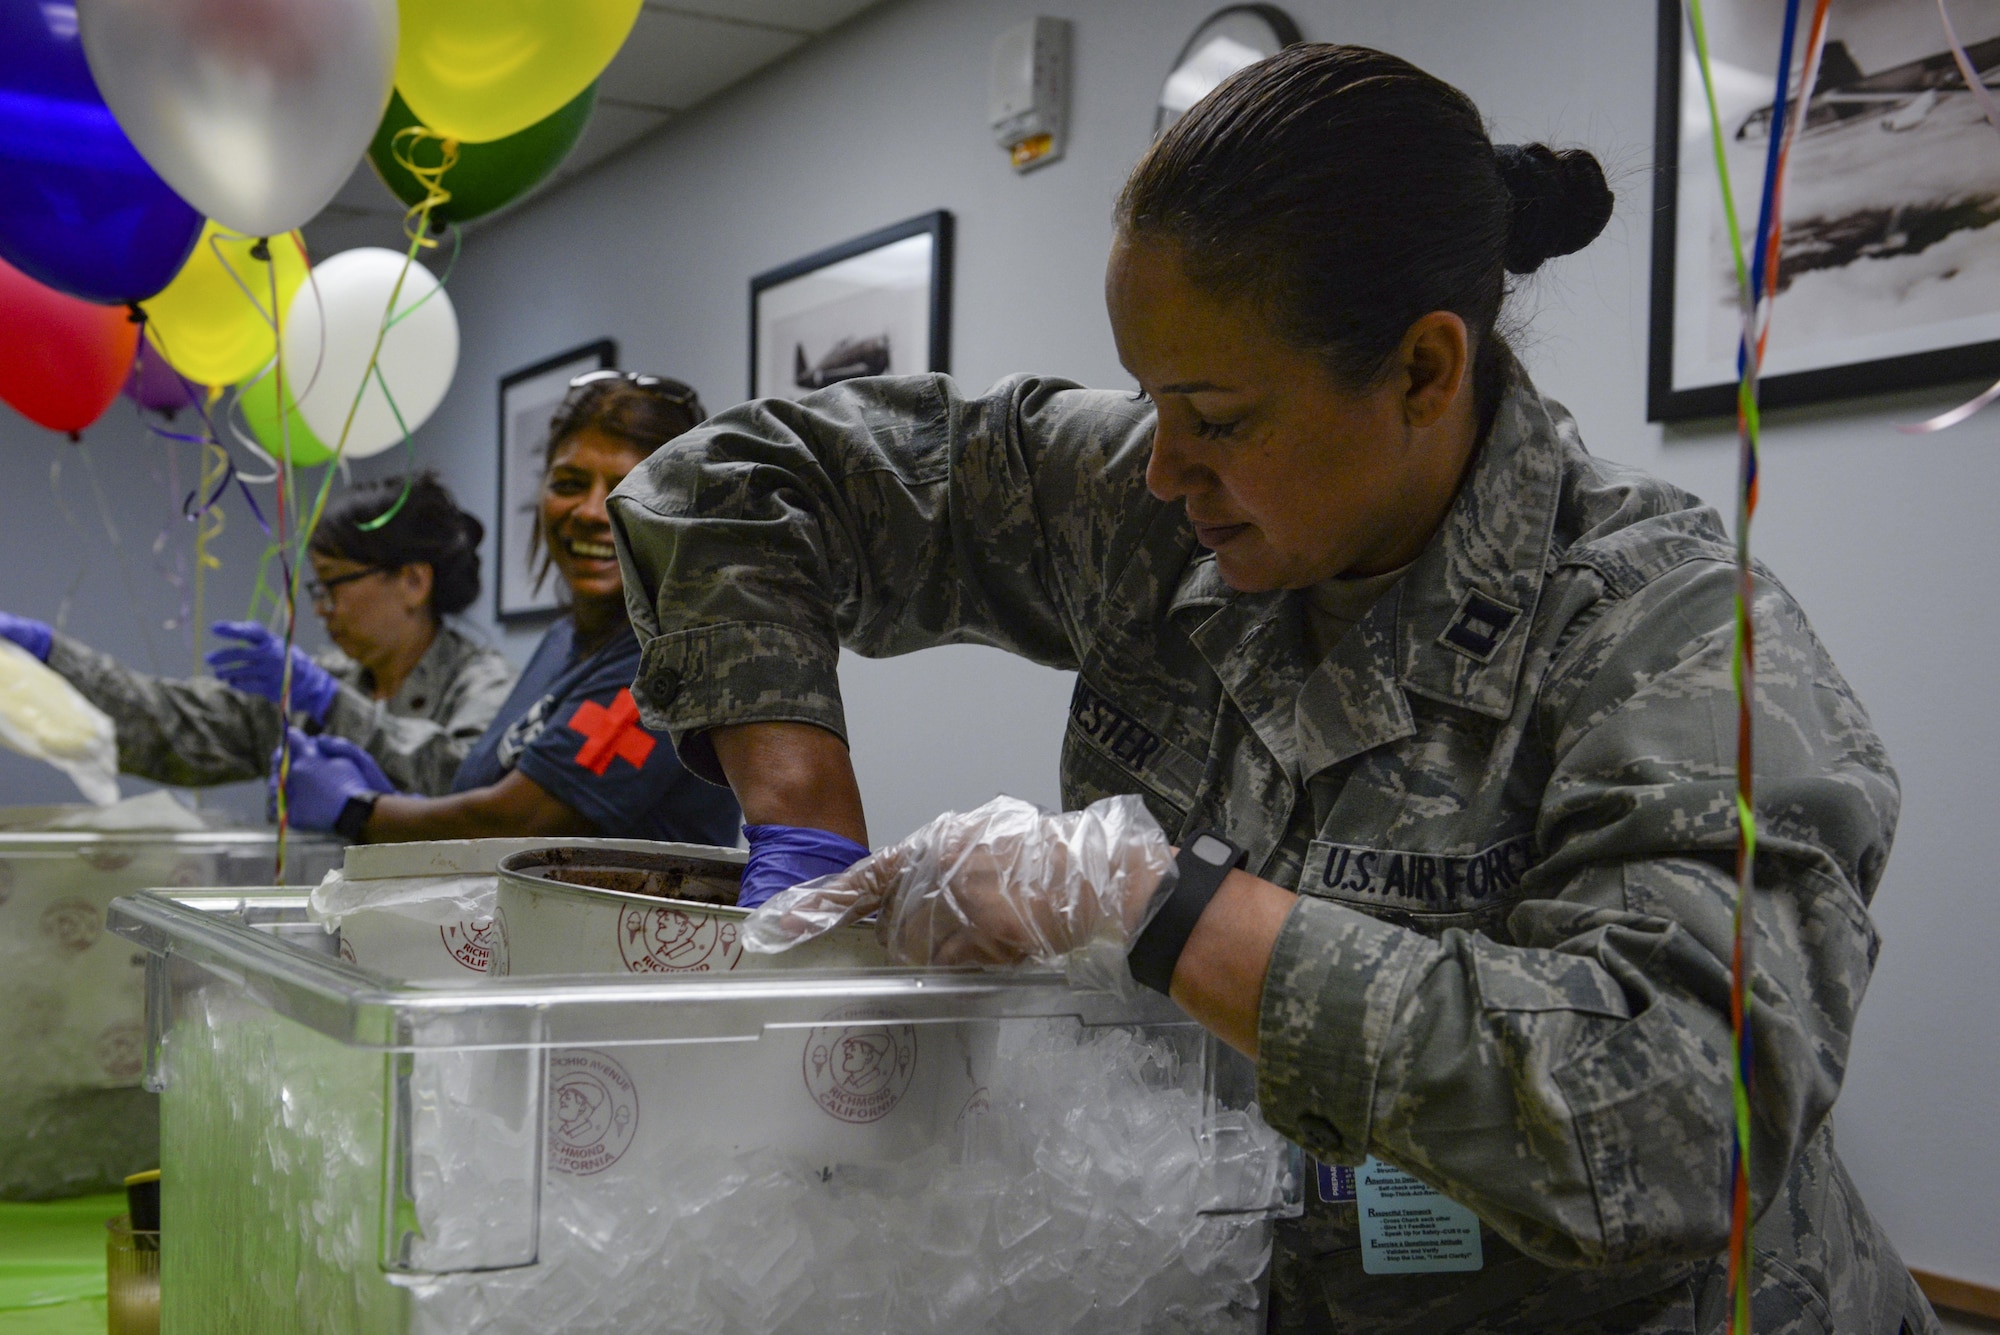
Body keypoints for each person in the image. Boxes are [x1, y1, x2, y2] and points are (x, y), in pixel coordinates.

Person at [604, 45, 1937, 1335]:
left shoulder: (1670, 633)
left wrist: (1152, 900)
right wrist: (800, 824)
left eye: (1218, 416)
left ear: (1423, 370)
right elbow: (734, 486)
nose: (1162, 466)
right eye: (1149, 398)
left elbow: (1692, 1119)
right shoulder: (1150, 500)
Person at [274, 372, 740, 848]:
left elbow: (516, 823)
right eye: (569, 482)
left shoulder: (677, 656)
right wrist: (388, 793)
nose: (592, 511)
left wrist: (359, 809)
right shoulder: (562, 642)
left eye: (630, 486)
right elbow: (482, 789)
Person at [0, 473, 514, 797]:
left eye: (333, 584)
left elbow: (466, 783)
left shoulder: (485, 684)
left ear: (413, 581)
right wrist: (51, 658)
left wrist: (333, 704)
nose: (319, 608)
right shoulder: (321, 682)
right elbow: (178, 730)